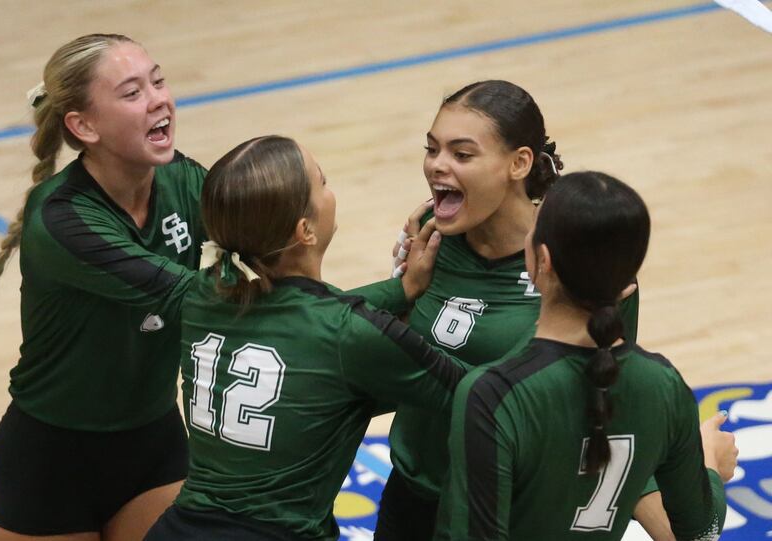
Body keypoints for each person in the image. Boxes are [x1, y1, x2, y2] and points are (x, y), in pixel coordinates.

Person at [145, 135, 472, 541]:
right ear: (305, 230)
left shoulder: (203, 292)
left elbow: (297, 316)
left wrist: (400, 290)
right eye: (323, 182)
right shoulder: (346, 332)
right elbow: (476, 393)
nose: (330, 191)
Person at [375, 80, 646, 541]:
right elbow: (396, 362)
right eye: (432, 148)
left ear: (519, 163)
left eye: (462, 155)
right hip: (415, 494)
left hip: (512, 511)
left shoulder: (575, 255)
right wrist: (398, 292)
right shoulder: (429, 235)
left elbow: (604, 403)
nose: (437, 165)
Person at [0, 34, 208, 540]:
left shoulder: (182, 179)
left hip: (154, 444)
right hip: (53, 461)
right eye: (131, 92)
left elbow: (261, 227)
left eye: (158, 80)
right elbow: (190, 294)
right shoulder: (63, 221)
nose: (158, 98)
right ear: (83, 125)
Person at [435, 171, 737, 540]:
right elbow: (700, 533)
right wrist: (708, 467)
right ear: (629, 276)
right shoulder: (665, 383)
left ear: (540, 259)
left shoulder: (492, 394)